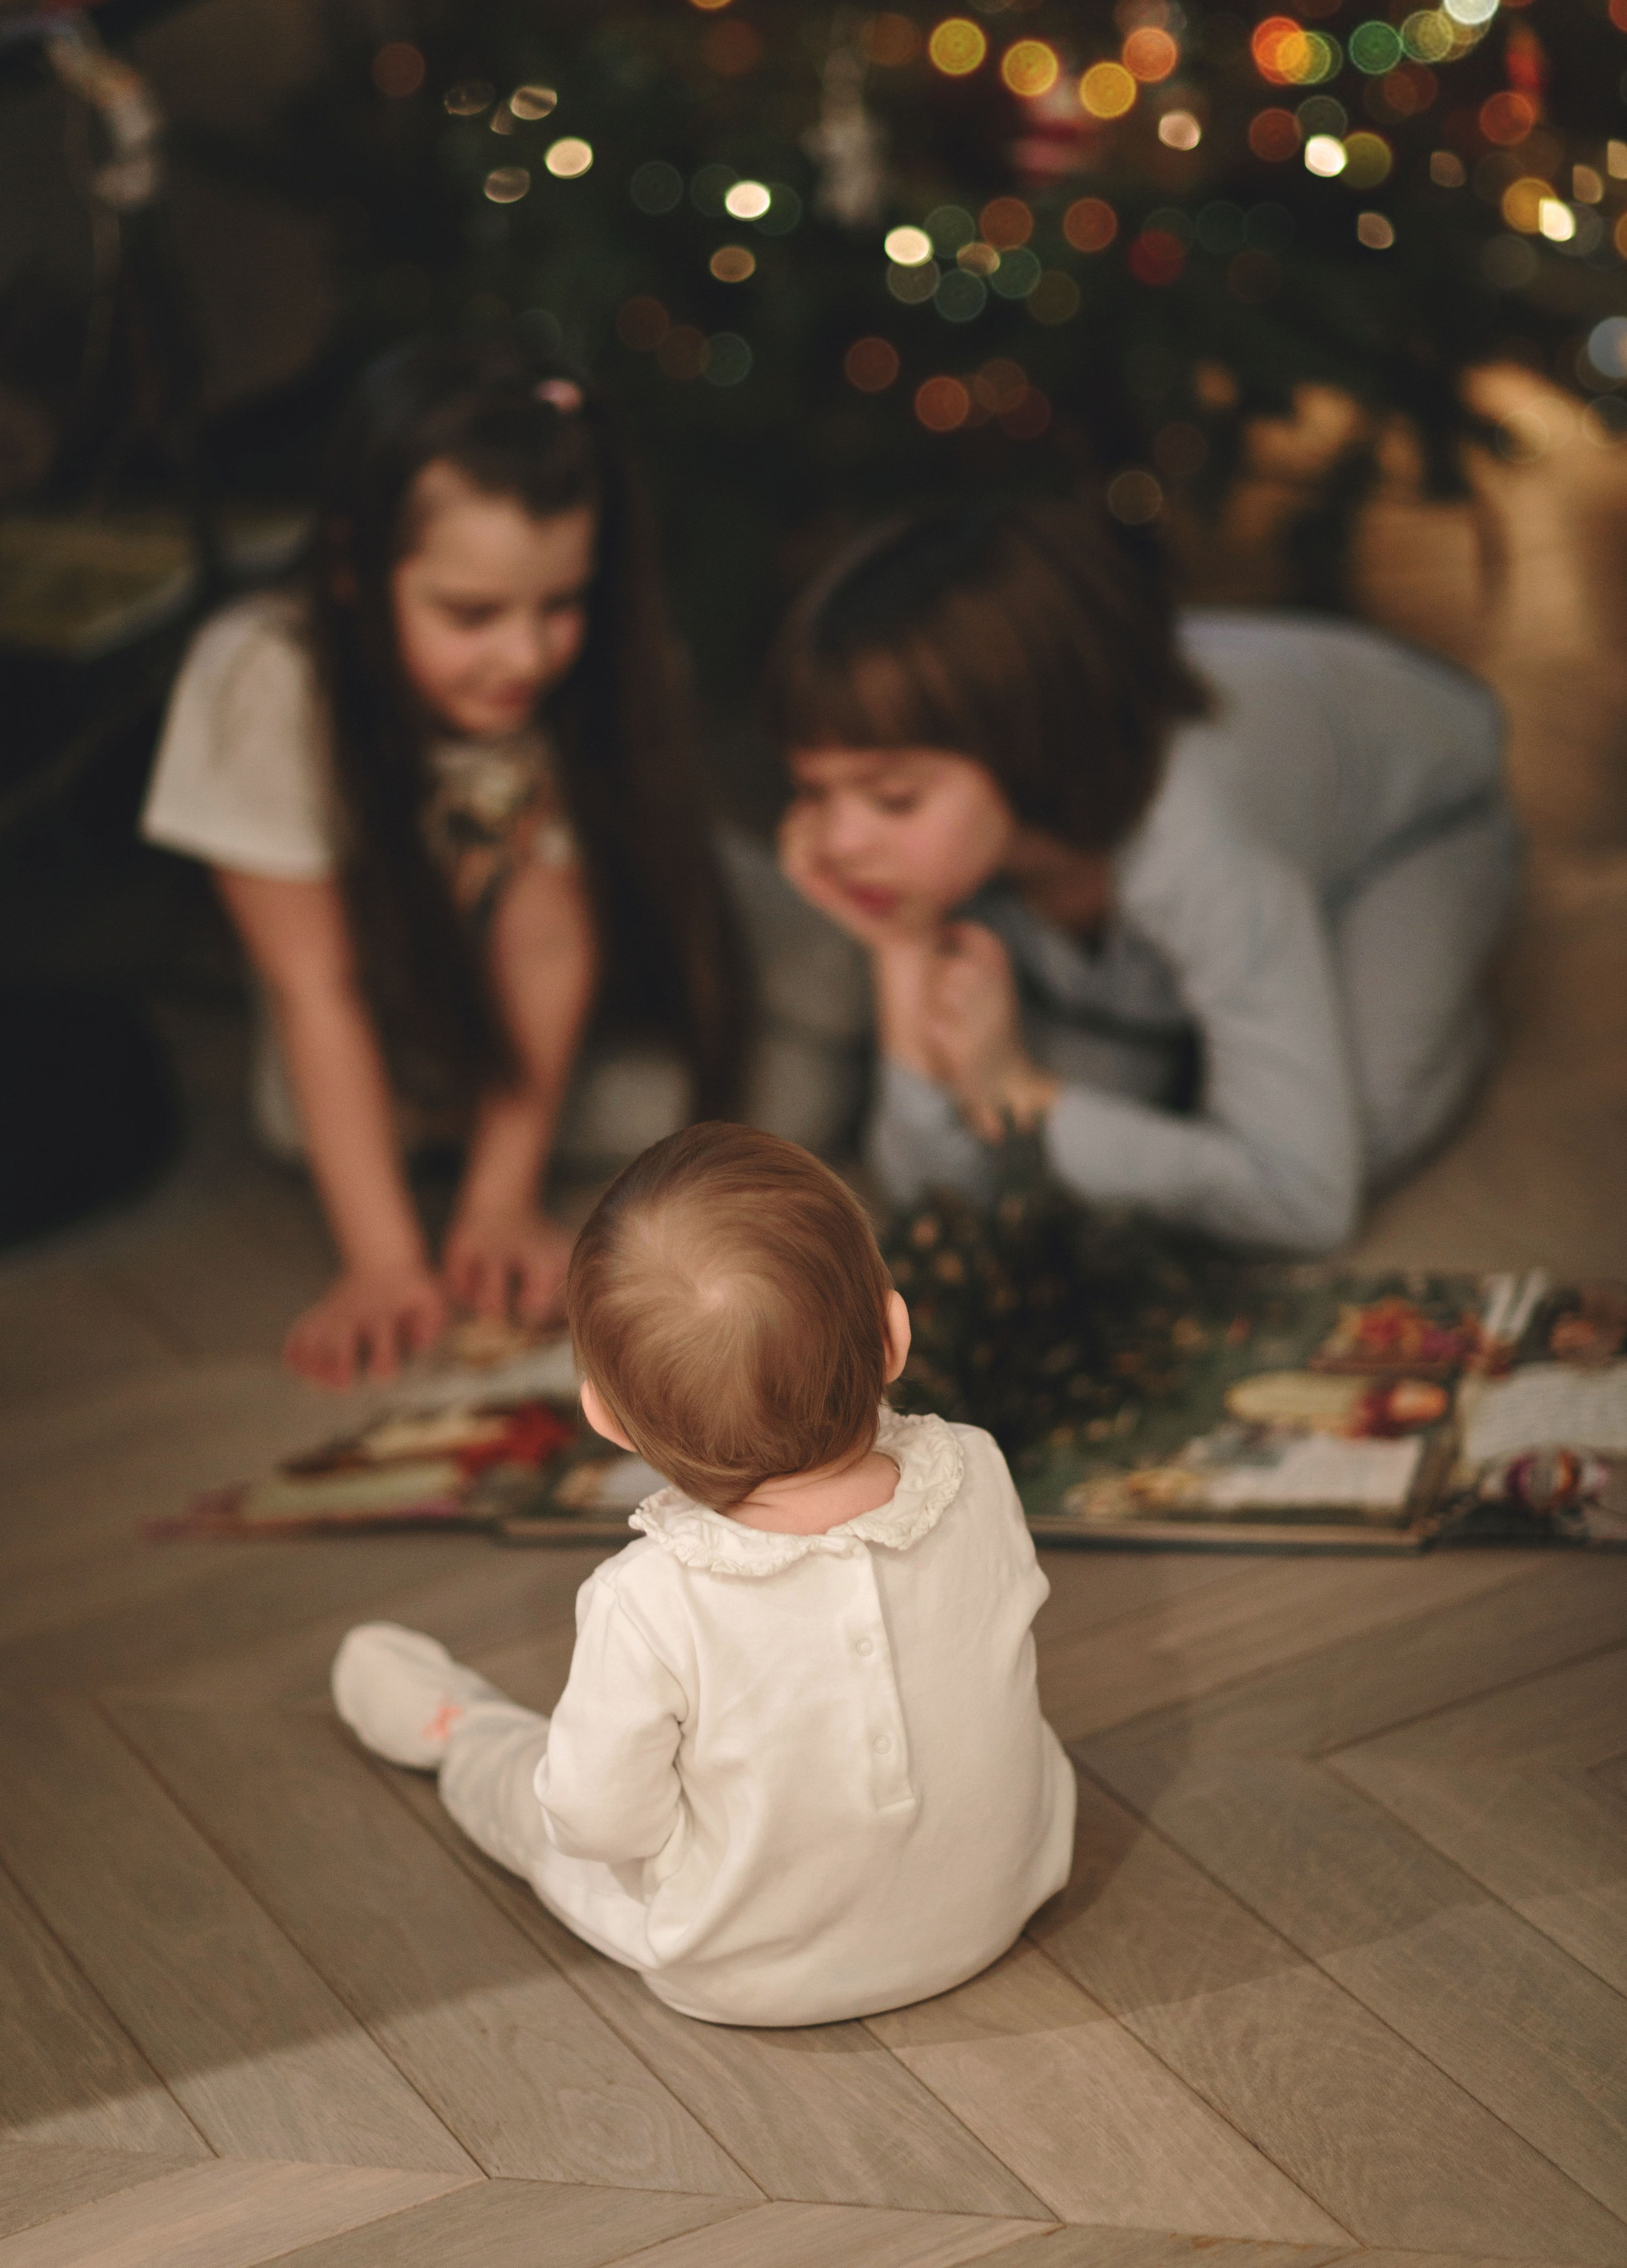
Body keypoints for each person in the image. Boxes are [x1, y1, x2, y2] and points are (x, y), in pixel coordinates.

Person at [142, 341, 863, 1386]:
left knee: (833, 984)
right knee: (799, 1099)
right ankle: (456, 1118)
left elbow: (550, 934)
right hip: (400, 1009)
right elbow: (317, 991)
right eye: (471, 614)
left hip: (625, 904)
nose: (524, 658)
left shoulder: (604, 665)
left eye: (559, 604)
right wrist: (387, 1261)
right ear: (351, 570)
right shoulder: (265, 678)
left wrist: (499, 1200)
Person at [330, 1123, 1075, 2027]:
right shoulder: (977, 1468)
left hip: (753, 1969)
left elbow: (599, 1825)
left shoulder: (649, 1600)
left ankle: (454, 1729)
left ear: (605, 1418)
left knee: (542, 1807)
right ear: (893, 1333)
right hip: (1002, 1893)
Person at [766, 497, 1520, 1255]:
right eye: (814, 793)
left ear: (1028, 750)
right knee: (1109, 1131)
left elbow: (1307, 1202)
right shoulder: (977, 840)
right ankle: (1210, 1016)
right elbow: (933, 1198)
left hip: (1418, 830)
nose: (840, 842)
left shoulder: (1197, 849)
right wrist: (899, 946)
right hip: (1194, 858)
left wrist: (1019, 1092)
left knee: (1356, 1131)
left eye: (892, 799)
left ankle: (1422, 1007)